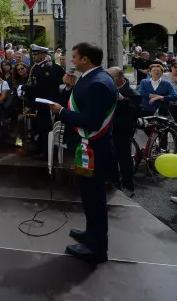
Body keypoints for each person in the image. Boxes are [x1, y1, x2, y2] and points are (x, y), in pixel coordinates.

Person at [50, 42, 117, 264]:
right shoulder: (90, 78)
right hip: (86, 148)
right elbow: (79, 103)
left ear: (86, 60)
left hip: (94, 149)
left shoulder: (98, 83)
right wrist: (69, 88)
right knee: (89, 197)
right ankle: (91, 234)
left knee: (95, 200)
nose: (72, 61)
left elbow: (92, 121)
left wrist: (61, 112)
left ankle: (97, 249)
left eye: (75, 57)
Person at [106, 67, 140, 196]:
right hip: (107, 129)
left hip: (122, 131)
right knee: (110, 156)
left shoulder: (131, 92)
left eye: (111, 78)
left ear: (120, 78)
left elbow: (135, 111)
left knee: (124, 158)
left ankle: (128, 186)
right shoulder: (107, 89)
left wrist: (123, 100)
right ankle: (113, 181)